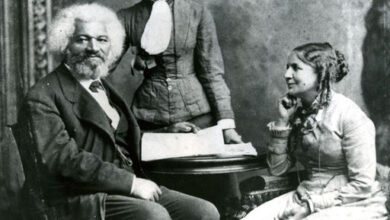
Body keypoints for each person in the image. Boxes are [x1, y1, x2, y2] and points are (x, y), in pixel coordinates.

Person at [15, 3, 219, 220]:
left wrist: (167, 131)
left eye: (102, 40)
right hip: (77, 198)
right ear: (65, 44)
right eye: (82, 39)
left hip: (119, 188)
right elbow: (63, 160)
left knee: (204, 212)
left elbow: (119, 139)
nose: (94, 47)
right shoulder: (42, 96)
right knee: (153, 216)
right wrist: (131, 183)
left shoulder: (103, 87)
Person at [116, 0, 245, 213]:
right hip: (150, 122)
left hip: (199, 120)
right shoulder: (127, 17)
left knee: (216, 203)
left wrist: (227, 125)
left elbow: (212, 72)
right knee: (162, 202)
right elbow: (100, 66)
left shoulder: (197, 11)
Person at [243, 42, 388, 220]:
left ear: (321, 72)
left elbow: (363, 185)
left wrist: (312, 206)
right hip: (305, 195)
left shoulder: (350, 116)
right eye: (287, 67)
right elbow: (277, 170)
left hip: (352, 202)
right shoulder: (297, 114)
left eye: (296, 68)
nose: (286, 75)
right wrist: (282, 121)